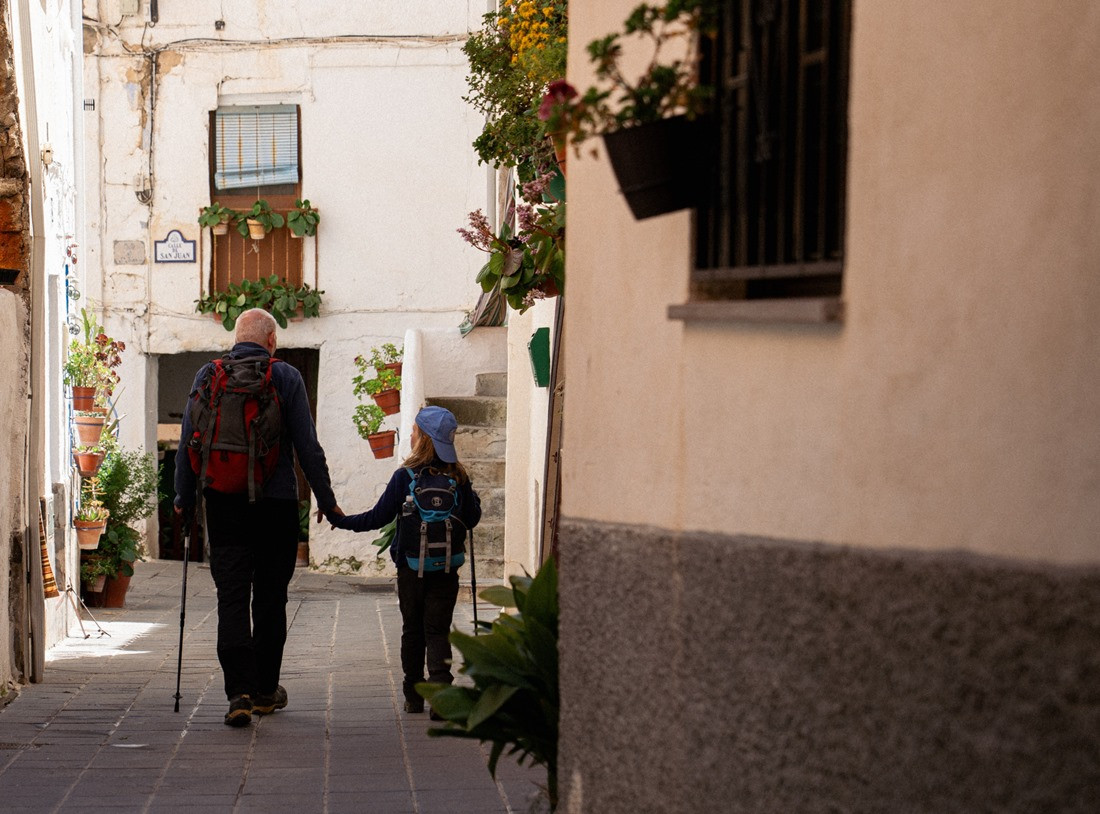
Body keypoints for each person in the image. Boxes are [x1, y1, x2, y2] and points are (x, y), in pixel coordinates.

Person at [174, 308, 343, 727]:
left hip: (223, 503)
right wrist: (326, 500)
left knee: (231, 596)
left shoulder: (208, 375)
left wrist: (183, 498)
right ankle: (266, 690)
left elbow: (188, 441)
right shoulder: (285, 376)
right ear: (272, 341)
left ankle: (239, 694)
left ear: (235, 339)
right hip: (276, 504)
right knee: (270, 597)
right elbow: (307, 445)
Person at [331, 406, 481, 717]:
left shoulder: (405, 476)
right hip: (447, 568)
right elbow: (472, 518)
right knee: (437, 630)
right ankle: (441, 697)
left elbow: (377, 517)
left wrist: (341, 520)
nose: (410, 435)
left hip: (411, 569)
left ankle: (414, 696)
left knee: (413, 630)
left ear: (423, 438)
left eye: (414, 431)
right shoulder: (458, 476)